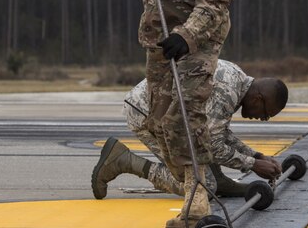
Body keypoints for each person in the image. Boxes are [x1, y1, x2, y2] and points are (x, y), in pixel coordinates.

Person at [94, 0, 241, 228]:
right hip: (159, 33)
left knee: (184, 116)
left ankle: (197, 205)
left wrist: (187, 35)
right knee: (159, 118)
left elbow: (216, 2)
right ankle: (194, 189)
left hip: (197, 38)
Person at [91, 61, 286, 210]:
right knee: (202, 186)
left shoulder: (238, 80)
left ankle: (220, 182)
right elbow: (213, 146)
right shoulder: (228, 91)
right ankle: (123, 161)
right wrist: (253, 164)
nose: (263, 119)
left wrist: (256, 156)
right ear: (258, 99)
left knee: (205, 161)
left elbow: (217, 132)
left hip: (168, 115)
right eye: (266, 114)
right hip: (149, 115)